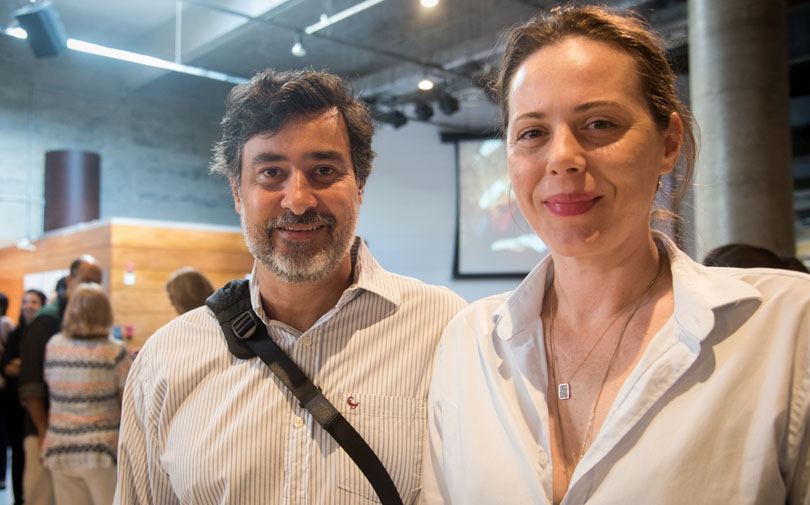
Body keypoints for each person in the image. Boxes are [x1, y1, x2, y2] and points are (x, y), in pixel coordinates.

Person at [422, 6, 810, 505]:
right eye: (533, 133)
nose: (562, 158)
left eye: (600, 123)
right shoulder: (469, 344)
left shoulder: (786, 327)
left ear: (669, 142)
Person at [115, 69, 466, 504]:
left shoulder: (444, 330)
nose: (298, 200)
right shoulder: (164, 362)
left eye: (323, 170)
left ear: (359, 186)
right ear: (237, 193)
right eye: (270, 173)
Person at [18, 256, 103, 505]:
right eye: (86, 281)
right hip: (44, 430)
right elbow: (31, 384)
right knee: (41, 497)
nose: (91, 289)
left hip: (75, 438)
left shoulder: (82, 321)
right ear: (69, 281)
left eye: (97, 283)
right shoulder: (46, 321)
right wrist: (43, 431)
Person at [42, 283, 131, 505]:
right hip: (102, 449)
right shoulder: (114, 350)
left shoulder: (54, 345)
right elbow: (127, 404)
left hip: (60, 446)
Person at [1, 289, 47, 505]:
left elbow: (42, 368)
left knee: (36, 453)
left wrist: (23, 364)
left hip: (38, 404)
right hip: (14, 404)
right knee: (17, 454)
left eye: (34, 302)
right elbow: (6, 368)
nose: (29, 306)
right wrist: (30, 365)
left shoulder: (46, 333)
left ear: (42, 306)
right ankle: (18, 498)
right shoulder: (15, 334)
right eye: (26, 301)